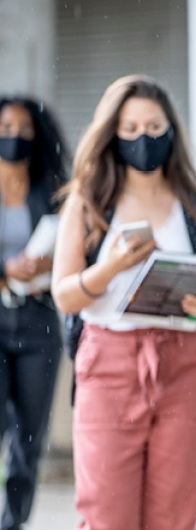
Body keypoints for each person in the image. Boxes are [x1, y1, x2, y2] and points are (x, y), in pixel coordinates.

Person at [51, 74, 196, 530]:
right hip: (108, 363)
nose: (142, 139)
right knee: (107, 517)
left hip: (185, 365)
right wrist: (108, 267)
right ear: (111, 134)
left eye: (153, 127)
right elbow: (64, 294)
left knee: (174, 517)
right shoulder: (89, 202)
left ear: (171, 131)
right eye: (129, 129)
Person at [0, 96, 67, 530]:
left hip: (39, 321)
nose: (14, 138)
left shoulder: (53, 188)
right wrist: (6, 269)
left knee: (29, 435)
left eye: (24, 130)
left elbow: (82, 250)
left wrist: (50, 265)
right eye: (6, 129)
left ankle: (12, 521)